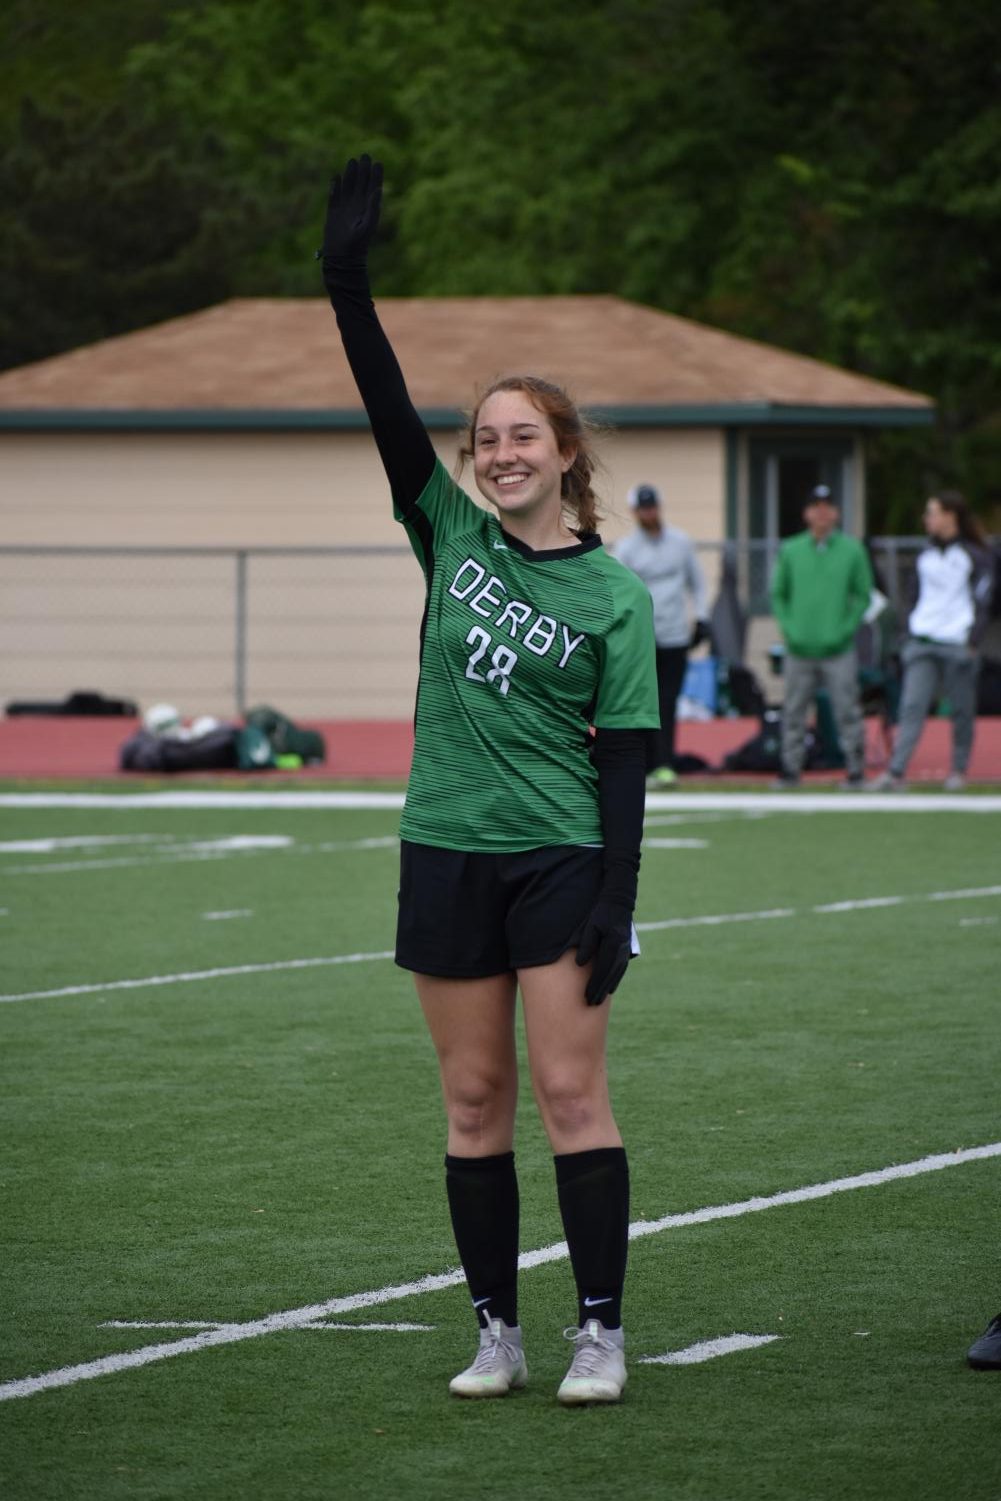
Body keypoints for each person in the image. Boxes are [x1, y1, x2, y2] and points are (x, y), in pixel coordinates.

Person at [320, 156, 659, 1405]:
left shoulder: (612, 596)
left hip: (560, 858)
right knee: (473, 1098)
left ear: (565, 453)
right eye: (485, 439)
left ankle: (600, 1333)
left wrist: (616, 897)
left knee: (569, 1093)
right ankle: (496, 1333)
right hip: (443, 846)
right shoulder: (445, 531)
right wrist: (345, 283)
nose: (498, 452)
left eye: (522, 435)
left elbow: (622, 761)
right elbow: (383, 407)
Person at [868, 492, 994, 792]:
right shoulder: (924, 556)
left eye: (933, 513)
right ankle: (896, 771)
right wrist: (910, 631)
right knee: (912, 706)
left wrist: (972, 640)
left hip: (957, 643)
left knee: (962, 710)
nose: (928, 519)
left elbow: (984, 601)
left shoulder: (975, 556)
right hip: (922, 641)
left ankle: (958, 771)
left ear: (951, 516)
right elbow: (913, 597)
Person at [770, 484, 873, 789]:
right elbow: (778, 594)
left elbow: (863, 595)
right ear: (806, 513)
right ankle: (791, 769)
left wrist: (845, 628)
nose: (822, 513)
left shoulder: (852, 549)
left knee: (848, 710)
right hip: (799, 648)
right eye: (816, 506)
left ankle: (855, 770)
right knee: (793, 711)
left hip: (838, 648)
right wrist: (789, 628)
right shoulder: (791, 549)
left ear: (837, 513)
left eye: (827, 506)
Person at [612, 484, 709, 787]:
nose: (649, 513)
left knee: (668, 700)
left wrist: (702, 619)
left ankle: (666, 762)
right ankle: (646, 761)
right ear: (635, 512)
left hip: (675, 634)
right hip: (642, 637)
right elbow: (618, 592)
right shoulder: (627, 549)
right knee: (643, 702)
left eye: (652, 507)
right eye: (643, 508)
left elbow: (698, 583)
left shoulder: (680, 542)